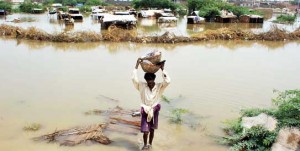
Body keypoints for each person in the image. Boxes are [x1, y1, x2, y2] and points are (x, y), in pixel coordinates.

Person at [132, 58, 171, 150]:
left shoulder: (159, 86)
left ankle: (150, 144)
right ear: (146, 81)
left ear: (154, 80)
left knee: (152, 129)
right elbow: (134, 79)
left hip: (155, 109)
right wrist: (137, 65)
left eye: (151, 81)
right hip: (145, 109)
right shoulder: (141, 86)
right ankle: (145, 145)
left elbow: (168, 81)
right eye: (148, 82)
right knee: (146, 131)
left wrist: (162, 69)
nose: (150, 83)